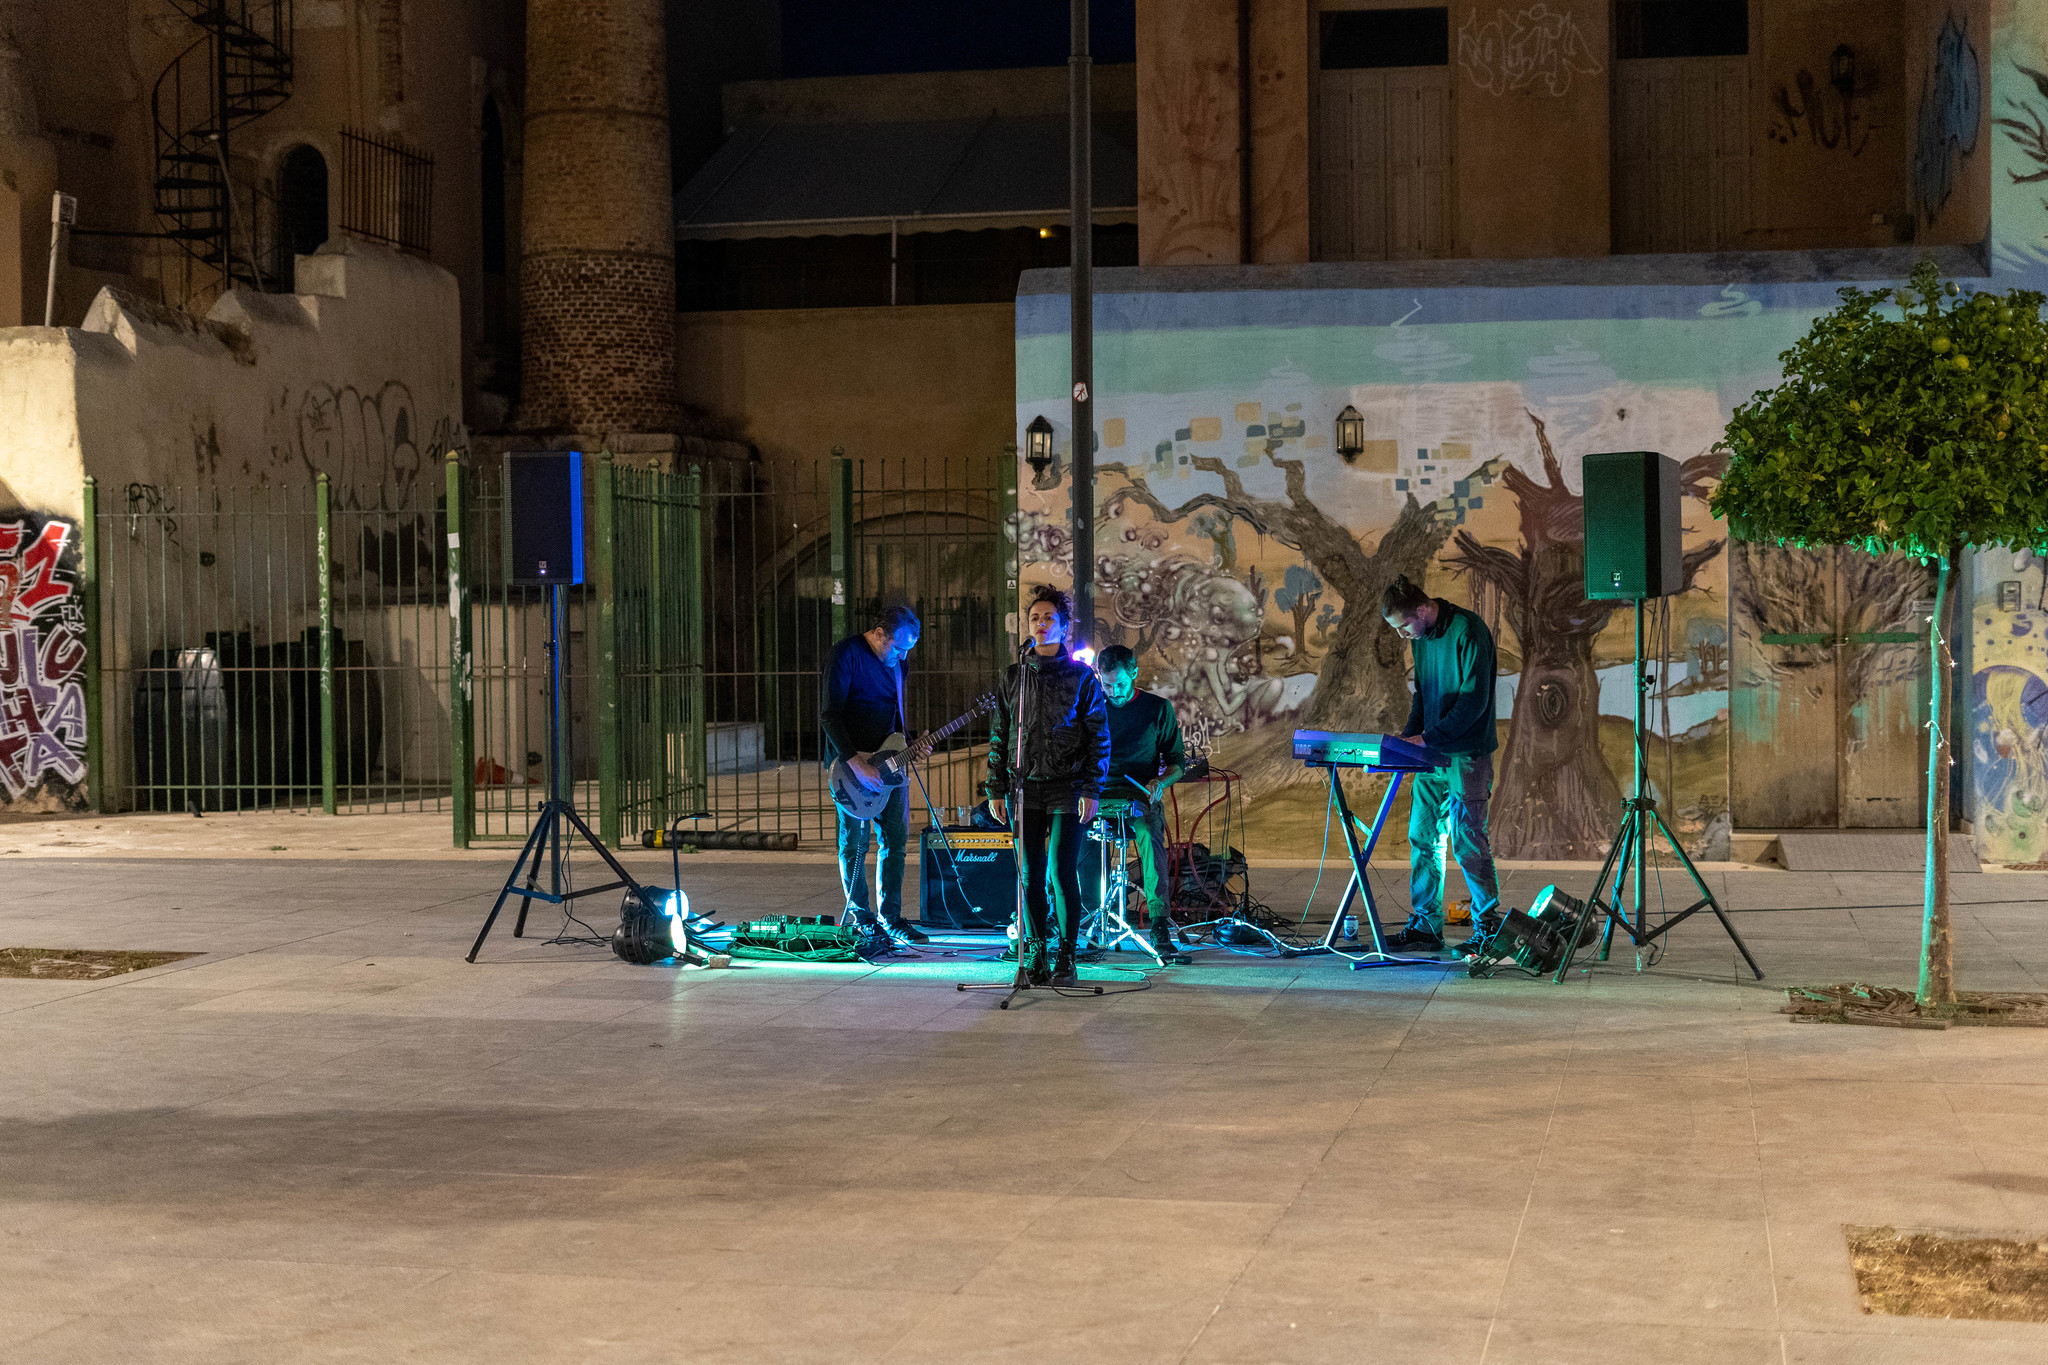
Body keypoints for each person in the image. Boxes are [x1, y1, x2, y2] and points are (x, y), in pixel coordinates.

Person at [987, 585, 1109, 987]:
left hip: (1068, 786)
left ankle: (1067, 955)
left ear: (1063, 625)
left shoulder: (1080, 676)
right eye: (1035, 619)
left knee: (1060, 869)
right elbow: (1001, 735)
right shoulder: (1014, 675)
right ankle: (1036, 951)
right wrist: (996, 788)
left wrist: (1092, 788)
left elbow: (1098, 736)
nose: (1040, 624)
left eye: (1048, 618)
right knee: (1029, 874)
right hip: (1024, 787)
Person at [1380, 574, 1502, 957]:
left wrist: (1428, 739)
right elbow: (1422, 695)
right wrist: (1408, 739)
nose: (1404, 636)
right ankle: (1425, 924)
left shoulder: (1469, 631)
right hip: (1431, 756)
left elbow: (1473, 702)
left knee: (1468, 841)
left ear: (1421, 610)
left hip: (1467, 754)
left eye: (1404, 627)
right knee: (1423, 837)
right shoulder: (1422, 639)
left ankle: (1486, 926)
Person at [819, 604, 925, 950]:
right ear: (879, 634)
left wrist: (909, 744)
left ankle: (890, 917)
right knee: (854, 842)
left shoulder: (898, 661)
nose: (902, 656)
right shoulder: (845, 655)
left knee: (895, 839)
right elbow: (829, 715)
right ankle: (861, 917)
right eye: (897, 647)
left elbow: (891, 712)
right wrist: (855, 762)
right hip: (849, 766)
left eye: (908, 649)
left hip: (889, 762)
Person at [1093, 645, 1189, 960]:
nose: (1114, 692)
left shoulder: (1157, 709)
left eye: (1120, 684)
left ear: (1135, 672)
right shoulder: (1091, 707)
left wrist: (1159, 782)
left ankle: (1159, 921)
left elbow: (1177, 762)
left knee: (1149, 830)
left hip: (1139, 795)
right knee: (1068, 831)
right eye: (1107, 685)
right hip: (1096, 794)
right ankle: (1063, 917)